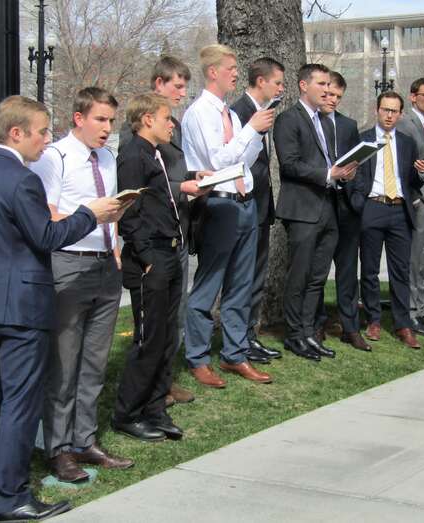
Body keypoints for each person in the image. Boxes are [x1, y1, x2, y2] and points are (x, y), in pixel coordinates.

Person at [0, 95, 126, 521]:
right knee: (20, 402)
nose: (47, 140)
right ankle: (12, 497)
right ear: (17, 133)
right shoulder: (22, 180)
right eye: (42, 131)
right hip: (24, 305)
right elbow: (46, 236)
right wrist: (91, 215)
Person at [30, 87, 132, 482]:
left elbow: (111, 208)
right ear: (78, 118)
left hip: (106, 266)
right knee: (64, 363)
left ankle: (84, 440)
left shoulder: (107, 157)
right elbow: (49, 216)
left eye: (110, 120)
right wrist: (90, 217)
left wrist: (115, 242)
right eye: (100, 120)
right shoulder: (55, 157)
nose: (107, 128)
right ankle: (56, 448)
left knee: (94, 361)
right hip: (69, 265)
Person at [113, 93, 206, 442]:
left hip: (169, 252)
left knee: (165, 337)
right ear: (147, 119)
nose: (172, 124)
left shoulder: (157, 154)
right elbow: (129, 213)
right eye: (167, 118)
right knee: (147, 340)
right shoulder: (133, 155)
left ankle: (154, 408)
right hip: (150, 259)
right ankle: (127, 413)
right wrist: (148, 258)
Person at [181, 44, 275, 386]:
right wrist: (251, 129)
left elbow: (242, 161)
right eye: (231, 68)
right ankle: (197, 357)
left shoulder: (231, 115)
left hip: (244, 202)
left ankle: (234, 354)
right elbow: (218, 162)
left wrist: (254, 133)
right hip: (218, 205)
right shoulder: (199, 113)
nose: (237, 73)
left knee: (241, 284)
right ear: (212, 72)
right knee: (209, 285)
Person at [119, 55, 198, 407]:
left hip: (173, 231)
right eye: (177, 86)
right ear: (158, 85)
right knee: (150, 330)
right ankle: (140, 401)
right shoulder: (135, 146)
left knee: (170, 319)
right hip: (152, 245)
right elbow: (131, 208)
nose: (182, 93)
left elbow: (169, 178)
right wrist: (147, 256)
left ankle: (161, 386)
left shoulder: (167, 132)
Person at [273, 63, 358, 361]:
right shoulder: (288, 119)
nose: (326, 89)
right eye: (320, 84)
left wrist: (343, 172)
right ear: (303, 85)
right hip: (302, 210)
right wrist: (328, 173)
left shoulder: (323, 122)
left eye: (328, 85)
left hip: (329, 208)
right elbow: (290, 163)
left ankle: (309, 333)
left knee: (317, 279)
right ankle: (294, 335)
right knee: (299, 277)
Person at [351, 92, 424, 349]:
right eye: (385, 110)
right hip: (373, 206)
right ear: (377, 110)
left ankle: (403, 323)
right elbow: (355, 174)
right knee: (369, 269)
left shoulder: (407, 142)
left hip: (399, 210)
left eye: (394, 111)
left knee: (400, 271)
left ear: (401, 114)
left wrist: (421, 174)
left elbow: (413, 181)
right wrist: (361, 204)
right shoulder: (363, 140)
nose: (389, 115)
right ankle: (373, 319)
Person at [230, 57, 286, 363]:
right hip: (244, 206)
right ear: (261, 81)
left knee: (256, 278)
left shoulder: (263, 112)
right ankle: (237, 339)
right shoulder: (239, 112)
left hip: (262, 206)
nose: (280, 88)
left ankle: (249, 335)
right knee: (243, 278)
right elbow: (234, 160)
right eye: (277, 82)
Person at [313, 71, 371, 351]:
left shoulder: (348, 125)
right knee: (319, 270)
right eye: (329, 94)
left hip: (347, 205)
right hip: (321, 204)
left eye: (338, 97)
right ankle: (317, 323)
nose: (333, 100)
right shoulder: (310, 122)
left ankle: (351, 327)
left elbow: (357, 163)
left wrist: (357, 194)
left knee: (348, 271)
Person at [395, 77, 424, 336]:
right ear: (413, 97)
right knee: (414, 260)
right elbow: (403, 163)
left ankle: (421, 309)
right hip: (418, 201)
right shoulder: (406, 123)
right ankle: (410, 312)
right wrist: (413, 197)